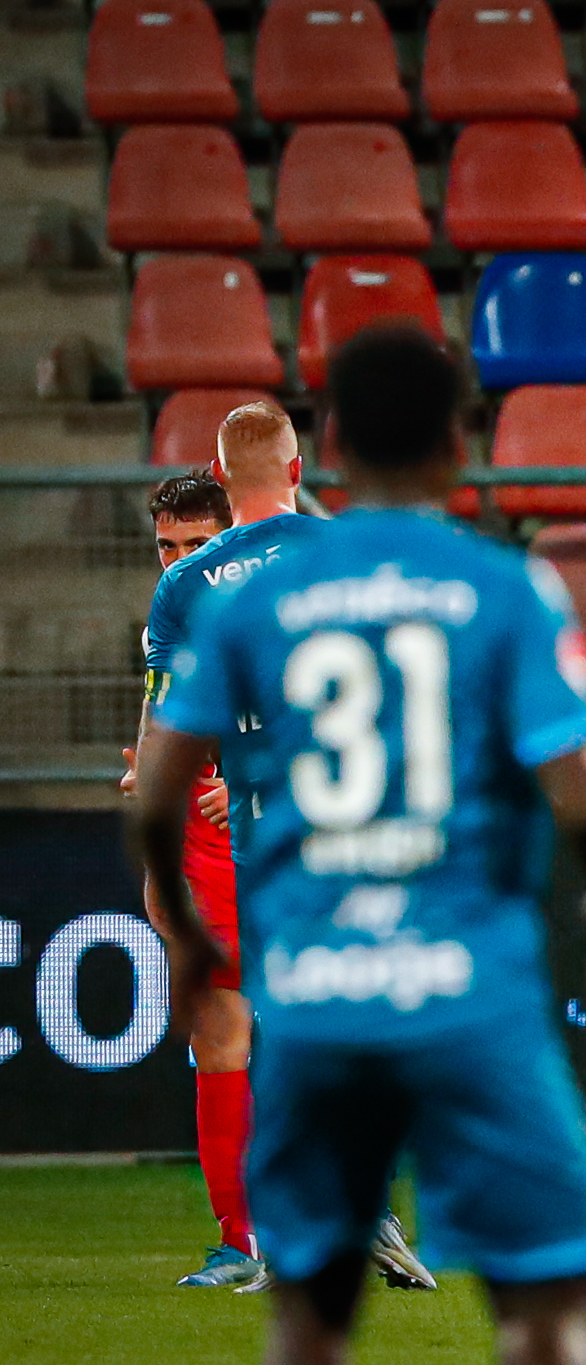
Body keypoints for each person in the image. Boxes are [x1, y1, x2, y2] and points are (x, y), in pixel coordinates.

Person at [131, 325, 586, 1365]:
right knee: (550, 1307)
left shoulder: (234, 595)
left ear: (332, 445)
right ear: (455, 449)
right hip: (469, 992)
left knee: (307, 1317)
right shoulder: (504, 588)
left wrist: (187, 932)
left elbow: (156, 786)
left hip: (317, 990)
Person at [135, 403, 436, 1295]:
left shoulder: (188, 585)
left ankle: (265, 1235)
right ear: (300, 469)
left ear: (224, 484)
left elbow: (165, 734)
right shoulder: (362, 558)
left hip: (258, 840)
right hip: (363, 835)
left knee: (247, 1028)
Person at [122, 472, 255, 1287]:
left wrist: (249, 782)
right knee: (218, 1039)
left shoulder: (282, 613)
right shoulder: (167, 623)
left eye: (195, 546)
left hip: (291, 844)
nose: (178, 563)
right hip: (205, 852)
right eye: (166, 546)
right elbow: (159, 728)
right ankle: (239, 1241)